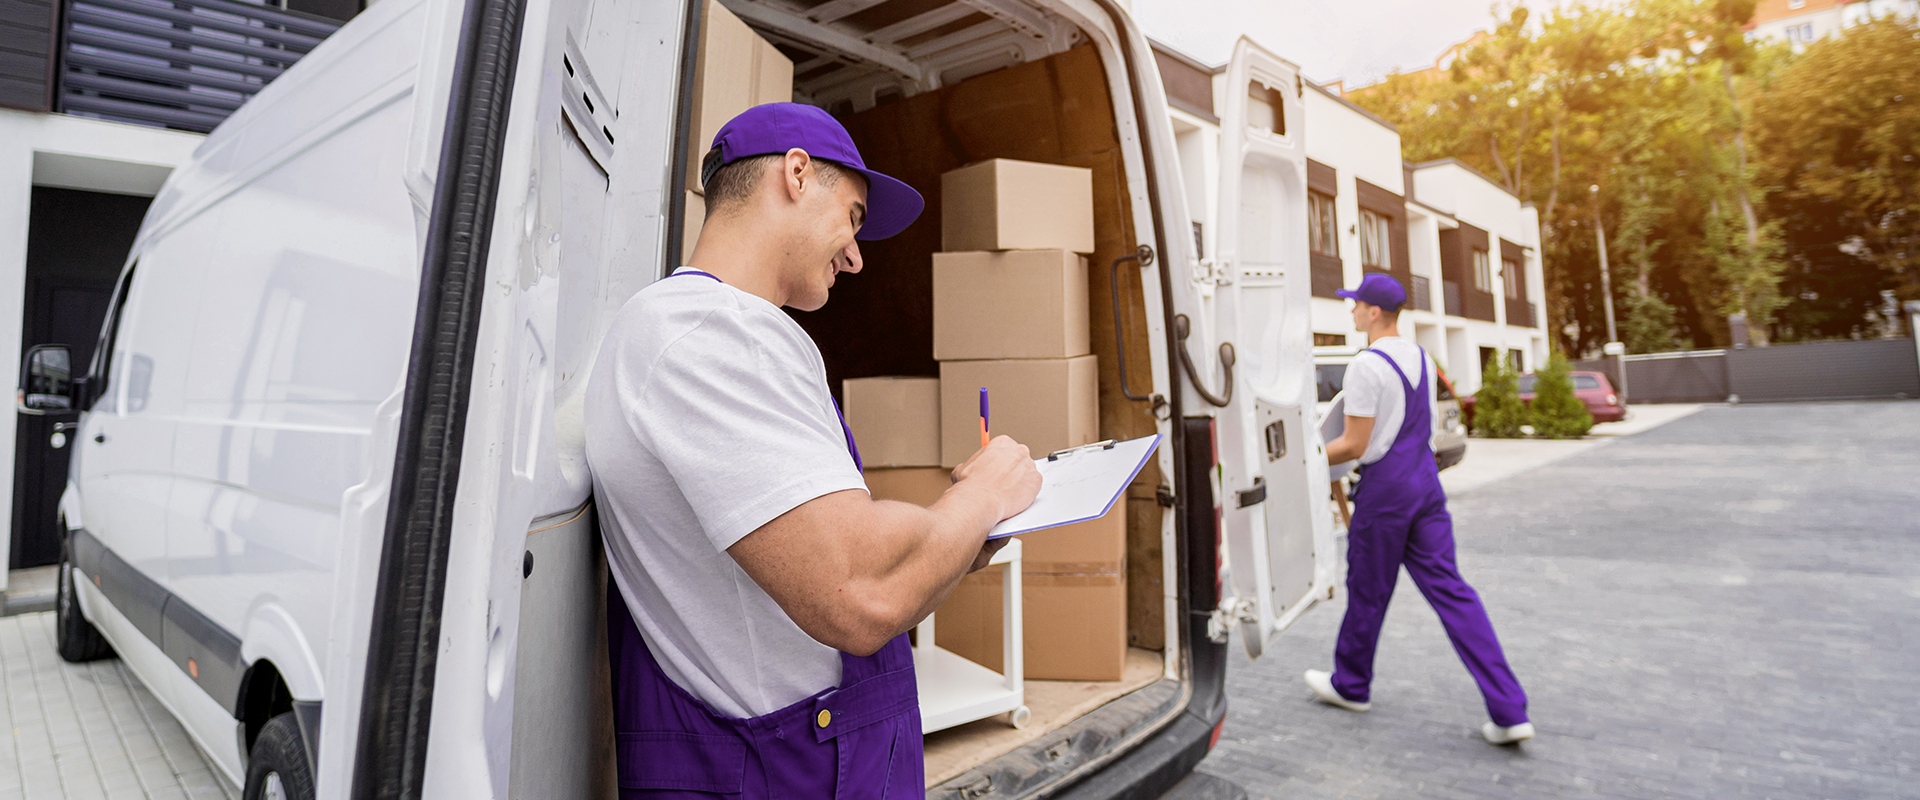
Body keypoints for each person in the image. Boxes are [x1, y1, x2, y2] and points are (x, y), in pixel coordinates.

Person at [583, 103, 1043, 797]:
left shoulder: (727, 333)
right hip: (782, 771)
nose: (856, 256)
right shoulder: (703, 334)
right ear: (796, 174)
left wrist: (951, 540)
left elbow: (820, 547)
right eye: (854, 217)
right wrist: (985, 496)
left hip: (812, 757)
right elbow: (856, 590)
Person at [1308, 273, 1534, 745]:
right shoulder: (1422, 358)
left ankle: (1351, 685)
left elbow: (1354, 444)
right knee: (1453, 592)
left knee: (1368, 591)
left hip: (1386, 492)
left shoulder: (1365, 366)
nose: (1350, 311)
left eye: (1355, 305)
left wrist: (1300, 457)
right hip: (1425, 486)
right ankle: (1511, 711)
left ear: (1373, 312)